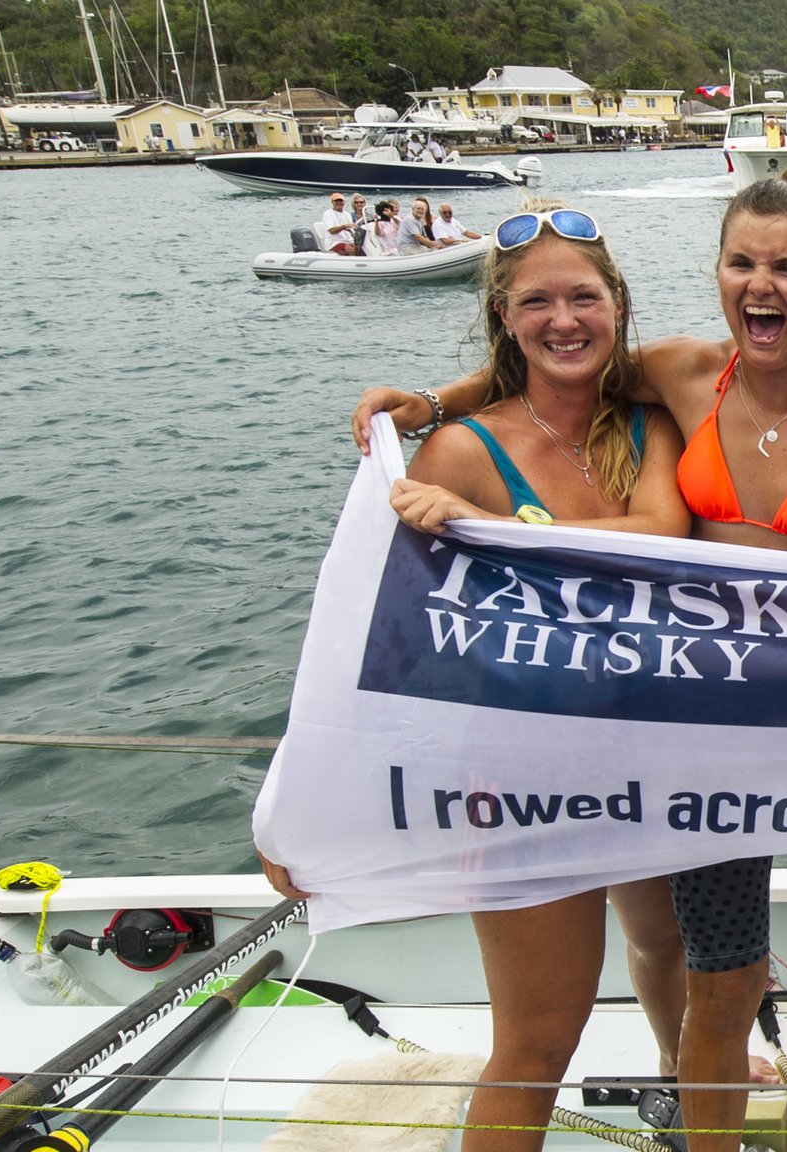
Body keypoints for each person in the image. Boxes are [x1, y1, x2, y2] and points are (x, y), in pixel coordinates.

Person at [351, 168, 787, 1151]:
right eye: (742, 262)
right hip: (708, 748)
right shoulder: (681, 375)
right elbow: (557, 363)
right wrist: (432, 403)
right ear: (717, 275)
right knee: (722, 980)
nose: (762, 284)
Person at [269, 200, 694, 1152]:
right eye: (536, 301)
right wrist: (297, 801)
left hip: (646, 755)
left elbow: (663, 539)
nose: (563, 319)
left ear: (617, 305)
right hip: (515, 779)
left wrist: (497, 531)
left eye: (583, 295)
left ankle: (676, 1083)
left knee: (668, 947)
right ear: (504, 316)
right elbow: (367, 643)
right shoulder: (461, 453)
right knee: (539, 1038)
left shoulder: (646, 421)